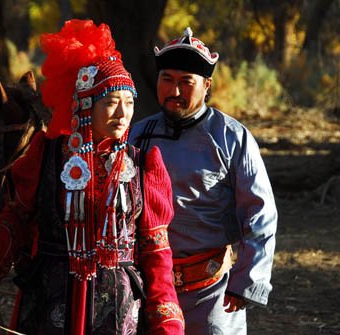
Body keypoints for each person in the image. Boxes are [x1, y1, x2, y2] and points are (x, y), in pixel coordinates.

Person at [0, 19, 184, 335]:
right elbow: (16, 220)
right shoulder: (46, 156)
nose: (123, 114)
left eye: (129, 104)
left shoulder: (144, 165)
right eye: (111, 104)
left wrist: (165, 318)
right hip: (50, 302)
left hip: (118, 309)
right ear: (84, 106)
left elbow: (156, 251)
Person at [129, 27, 278, 335]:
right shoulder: (137, 134)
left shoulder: (231, 137)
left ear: (207, 85)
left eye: (186, 82)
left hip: (211, 291)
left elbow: (260, 213)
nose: (175, 91)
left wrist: (247, 281)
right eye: (167, 79)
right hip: (147, 286)